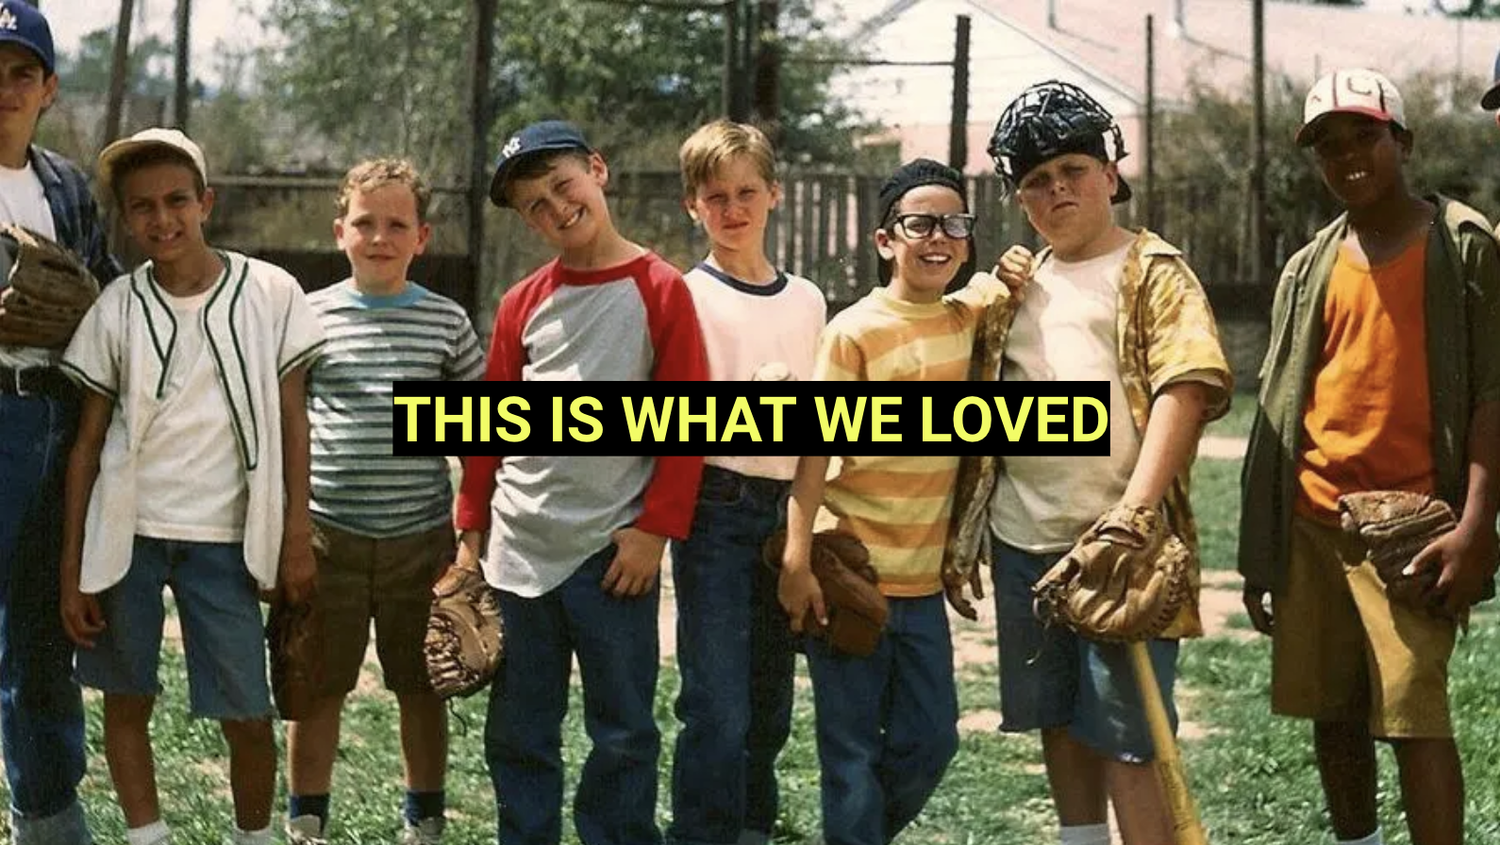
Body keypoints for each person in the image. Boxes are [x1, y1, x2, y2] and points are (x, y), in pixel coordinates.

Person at [1239, 69, 1500, 845]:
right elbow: (1280, 406)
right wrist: (1264, 551)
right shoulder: (1307, 267)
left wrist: (1476, 527)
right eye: (1329, 145)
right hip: (1314, 521)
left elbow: (1493, 393)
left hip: (1414, 528)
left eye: (1366, 136)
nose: (1349, 155)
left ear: (1404, 142)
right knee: (1334, 713)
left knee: (1415, 714)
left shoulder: (1463, 247)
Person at [971, 79, 1232, 845]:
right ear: (1020, 198)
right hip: (1026, 540)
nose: (1057, 189)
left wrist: (1134, 514)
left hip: (1120, 548)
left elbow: (1187, 387)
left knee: (1129, 737)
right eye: (1036, 180)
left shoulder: (1152, 269)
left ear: (1111, 174)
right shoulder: (1020, 286)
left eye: (1073, 170)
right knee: (1057, 719)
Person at [57, 128, 324, 845]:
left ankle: (254, 835)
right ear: (124, 218)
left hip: (227, 539)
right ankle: (147, 836)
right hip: (130, 535)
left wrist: (298, 532)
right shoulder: (118, 305)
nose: (162, 218)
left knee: (247, 711)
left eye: (177, 200)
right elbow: (87, 446)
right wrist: (73, 568)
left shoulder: (270, 292)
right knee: (126, 698)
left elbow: (294, 421)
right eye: (141, 206)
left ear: (207, 202)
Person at [455, 119, 708, 845]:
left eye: (563, 185)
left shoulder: (660, 288)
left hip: (611, 555)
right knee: (519, 730)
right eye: (535, 205)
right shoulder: (522, 301)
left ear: (597, 171)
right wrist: (470, 538)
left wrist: (654, 530)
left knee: (623, 730)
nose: (557, 208)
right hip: (519, 553)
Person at [779, 158, 1002, 845]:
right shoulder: (854, 331)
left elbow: (1000, 285)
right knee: (849, 754)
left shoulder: (968, 315)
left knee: (933, 739)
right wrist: (796, 559)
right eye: (920, 224)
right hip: (852, 577)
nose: (939, 238)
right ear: (884, 240)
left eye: (954, 224)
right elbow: (813, 450)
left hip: (923, 587)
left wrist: (1015, 273)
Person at [283, 158, 485, 845]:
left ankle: (423, 819)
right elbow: (289, 425)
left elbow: (478, 438)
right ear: (339, 231)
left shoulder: (445, 322)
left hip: (419, 542)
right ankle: (306, 820)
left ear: (422, 237)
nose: (379, 237)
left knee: (420, 685)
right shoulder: (308, 316)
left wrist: (471, 541)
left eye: (397, 224)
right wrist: (291, 531)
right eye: (365, 222)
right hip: (328, 538)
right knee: (317, 684)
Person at [666, 119, 824, 845]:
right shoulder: (685, 295)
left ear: (775, 195)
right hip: (715, 505)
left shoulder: (808, 300)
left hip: (784, 507)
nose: (733, 209)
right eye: (716, 196)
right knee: (717, 704)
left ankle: (753, 828)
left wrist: (802, 538)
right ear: (692, 205)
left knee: (769, 702)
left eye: (747, 192)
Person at [0, 3, 121, 840]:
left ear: (48, 88)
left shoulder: (66, 186)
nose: (4, 88)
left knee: (41, 633)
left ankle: (46, 814)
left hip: (50, 413)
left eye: (21, 73)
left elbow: (105, 299)